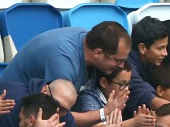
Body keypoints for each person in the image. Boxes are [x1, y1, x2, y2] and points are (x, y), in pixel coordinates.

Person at [0, 21, 130, 91]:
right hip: (14, 107)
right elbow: (57, 114)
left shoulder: (87, 38)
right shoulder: (62, 60)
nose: (121, 65)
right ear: (98, 53)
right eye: (118, 61)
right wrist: (103, 114)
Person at [126, 17, 168, 113]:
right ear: (142, 48)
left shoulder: (151, 62)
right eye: (160, 48)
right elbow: (152, 101)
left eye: (165, 47)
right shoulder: (126, 67)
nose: (165, 53)